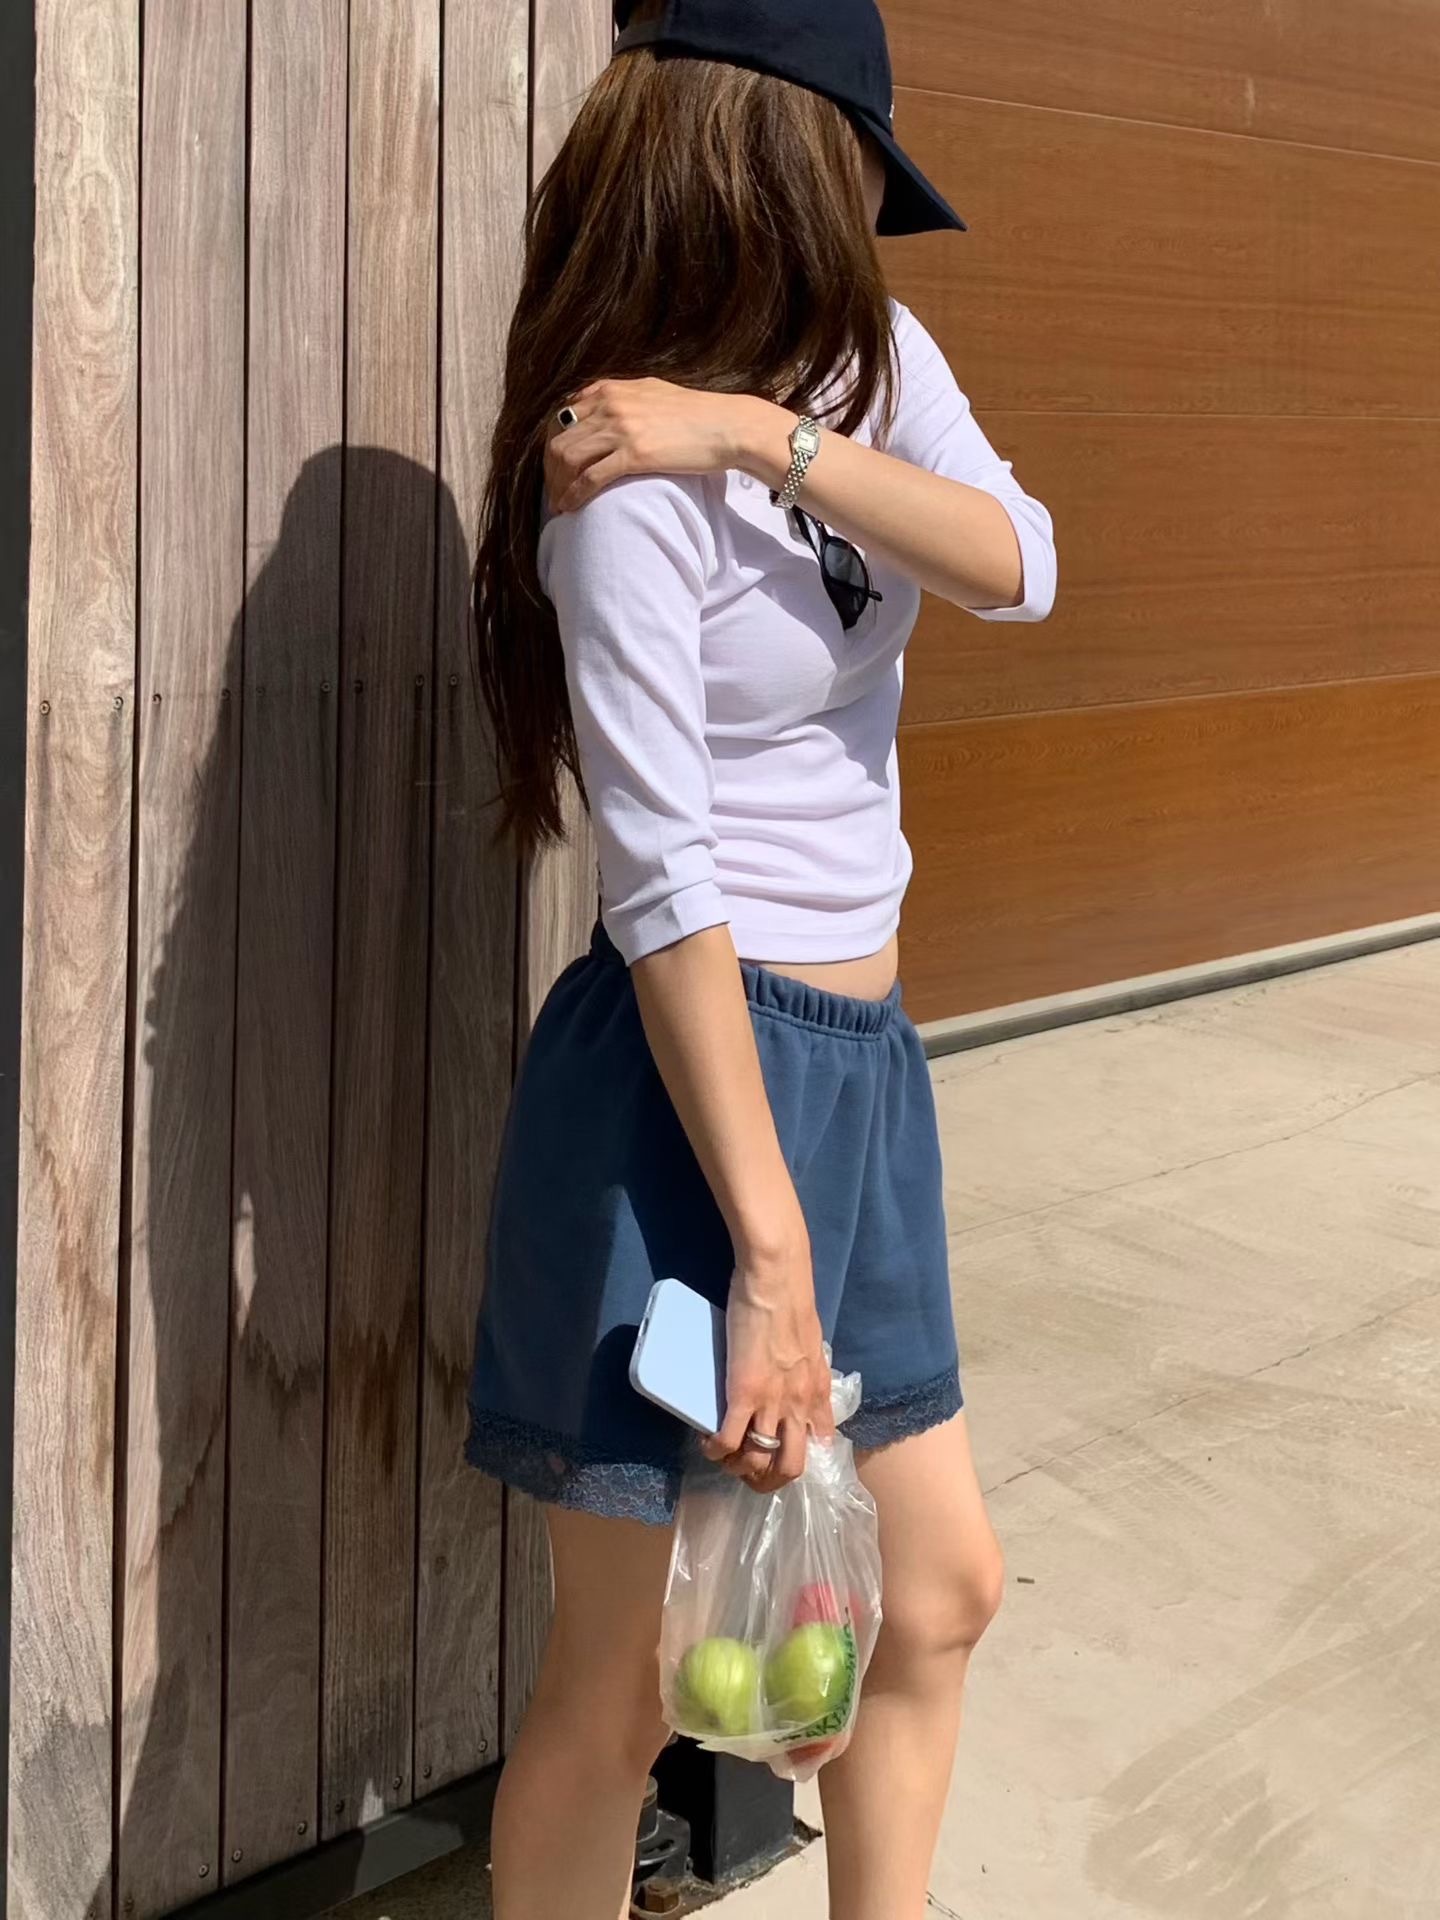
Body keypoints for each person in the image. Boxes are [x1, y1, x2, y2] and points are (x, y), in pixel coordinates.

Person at [466, 2, 1057, 1914]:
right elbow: (661, 881)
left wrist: (753, 432)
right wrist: (769, 1253)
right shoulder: (613, 481)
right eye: (852, 172)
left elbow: (1020, 562)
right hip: (691, 1086)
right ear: (770, 159)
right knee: (627, 1683)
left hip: (861, 1070)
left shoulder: (858, 369)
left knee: (935, 1595)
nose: (864, 218)